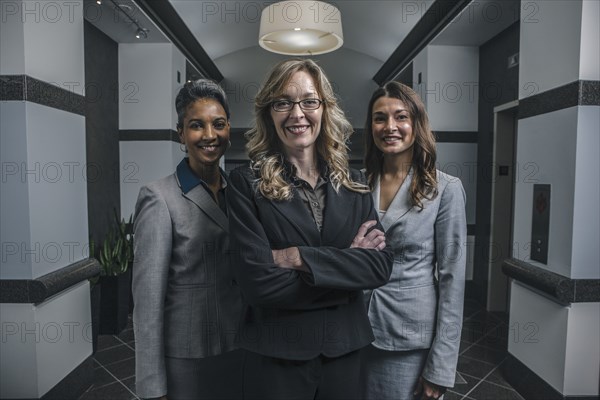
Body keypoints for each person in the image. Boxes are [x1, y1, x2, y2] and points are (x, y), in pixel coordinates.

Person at [225, 58, 394, 400]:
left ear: (324, 109)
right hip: (277, 356)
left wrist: (296, 257)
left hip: (345, 351)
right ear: (269, 114)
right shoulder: (245, 183)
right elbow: (257, 285)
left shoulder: (355, 183)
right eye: (283, 102)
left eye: (309, 101)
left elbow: (378, 267)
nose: (297, 113)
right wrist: (346, 273)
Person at [132, 79, 242, 400]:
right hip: (188, 357)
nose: (209, 135)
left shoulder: (240, 194)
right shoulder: (158, 197)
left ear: (228, 129)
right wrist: (152, 387)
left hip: (240, 348)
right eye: (197, 126)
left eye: (218, 124)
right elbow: (147, 303)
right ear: (181, 133)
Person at [360, 81, 467, 400]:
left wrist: (441, 367)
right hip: (355, 331)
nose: (389, 126)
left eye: (400, 117)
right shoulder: (359, 183)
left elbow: (453, 282)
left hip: (409, 339)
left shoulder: (445, 189)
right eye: (380, 118)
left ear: (416, 123)